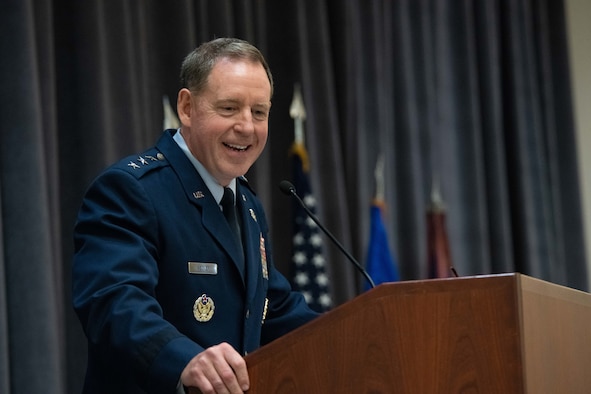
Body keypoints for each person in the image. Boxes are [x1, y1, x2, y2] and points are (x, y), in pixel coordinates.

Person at [72, 37, 320, 394]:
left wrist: (361, 332)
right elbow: (114, 303)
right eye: (230, 108)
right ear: (187, 108)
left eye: (259, 112)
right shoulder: (131, 189)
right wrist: (183, 359)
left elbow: (272, 309)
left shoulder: (247, 204)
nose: (247, 126)